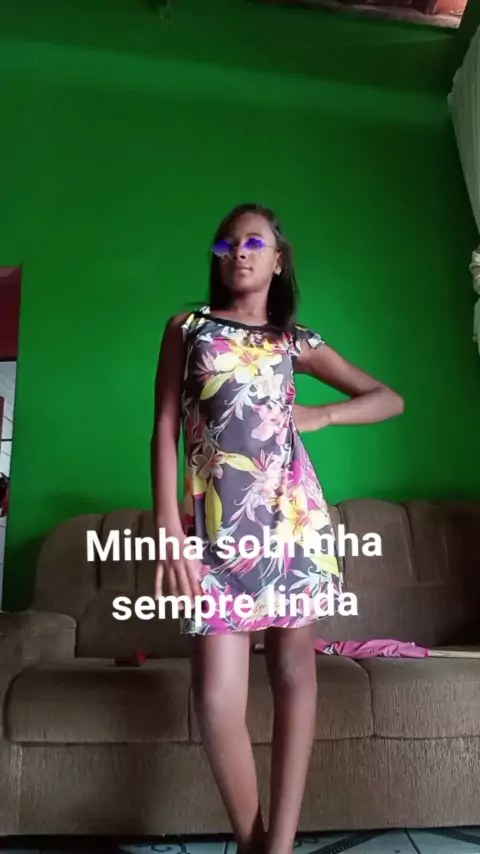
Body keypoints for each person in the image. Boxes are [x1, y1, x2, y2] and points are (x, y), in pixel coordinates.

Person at [151, 203, 404, 854]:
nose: (238, 251)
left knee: (294, 673)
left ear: (278, 259)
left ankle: (281, 845)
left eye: (254, 241)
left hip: (293, 520)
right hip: (215, 528)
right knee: (216, 702)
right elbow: (166, 429)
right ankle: (254, 840)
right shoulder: (188, 327)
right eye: (226, 243)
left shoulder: (295, 340)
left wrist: (322, 415)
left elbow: (388, 398)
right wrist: (168, 530)